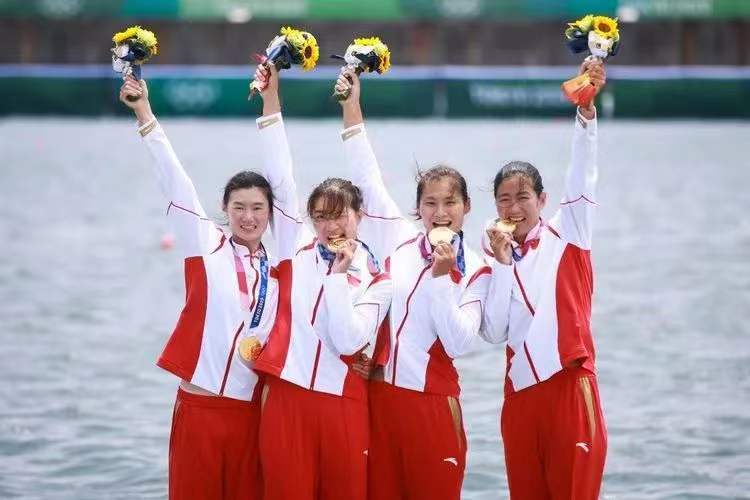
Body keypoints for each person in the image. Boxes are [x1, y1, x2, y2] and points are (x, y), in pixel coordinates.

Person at [118, 72, 291, 499]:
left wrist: (271, 100)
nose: (248, 217)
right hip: (200, 408)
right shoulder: (205, 244)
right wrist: (144, 114)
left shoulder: (280, 269)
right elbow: (175, 179)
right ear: (224, 209)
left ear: (271, 213)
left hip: (252, 412)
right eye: (239, 207)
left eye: (258, 208)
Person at [334, 68, 493, 500]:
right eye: (430, 203)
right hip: (379, 397)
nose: (440, 212)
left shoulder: (478, 269)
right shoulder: (398, 238)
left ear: (467, 206)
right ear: (417, 208)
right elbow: (365, 177)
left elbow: (459, 342)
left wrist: (442, 282)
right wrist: (352, 105)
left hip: (433, 405)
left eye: (450, 203)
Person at [249, 63, 392, 500]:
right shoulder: (294, 247)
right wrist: (271, 100)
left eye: (339, 215)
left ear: (359, 215)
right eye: (320, 217)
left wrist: (338, 277)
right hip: (287, 397)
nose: (330, 226)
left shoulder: (378, 280)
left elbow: (348, 341)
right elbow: (279, 176)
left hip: (343, 404)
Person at [481, 60, 608, 500]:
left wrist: (586, 115)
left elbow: (582, 174)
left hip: (569, 387)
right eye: (504, 200)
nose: (513, 208)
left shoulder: (569, 231)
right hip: (518, 396)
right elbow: (494, 332)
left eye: (523, 197)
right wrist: (501, 264)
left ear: (543, 200)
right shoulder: (493, 252)